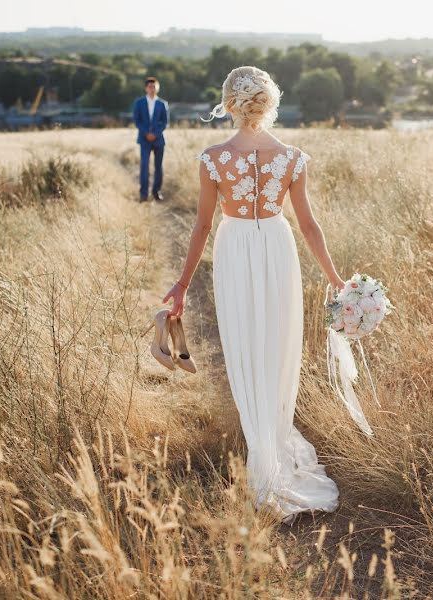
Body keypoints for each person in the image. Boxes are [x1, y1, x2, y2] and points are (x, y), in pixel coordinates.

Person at [162, 66, 345, 524]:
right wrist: (335, 278)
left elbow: (203, 225)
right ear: (269, 102)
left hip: (236, 245)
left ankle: (263, 446)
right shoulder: (293, 157)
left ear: (229, 104)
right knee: (277, 342)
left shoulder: (213, 158)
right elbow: (308, 225)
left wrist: (182, 284)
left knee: (246, 342)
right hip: (277, 246)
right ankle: (270, 439)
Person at [132, 77, 168, 202]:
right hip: (144, 139)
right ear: (146, 88)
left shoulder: (162, 104)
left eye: (154, 87)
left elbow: (165, 122)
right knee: (144, 166)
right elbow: (137, 120)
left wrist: (155, 133)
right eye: (149, 87)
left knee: (159, 166)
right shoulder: (139, 102)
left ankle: (156, 192)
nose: (152, 89)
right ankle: (143, 194)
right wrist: (146, 133)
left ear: (157, 88)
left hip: (159, 140)